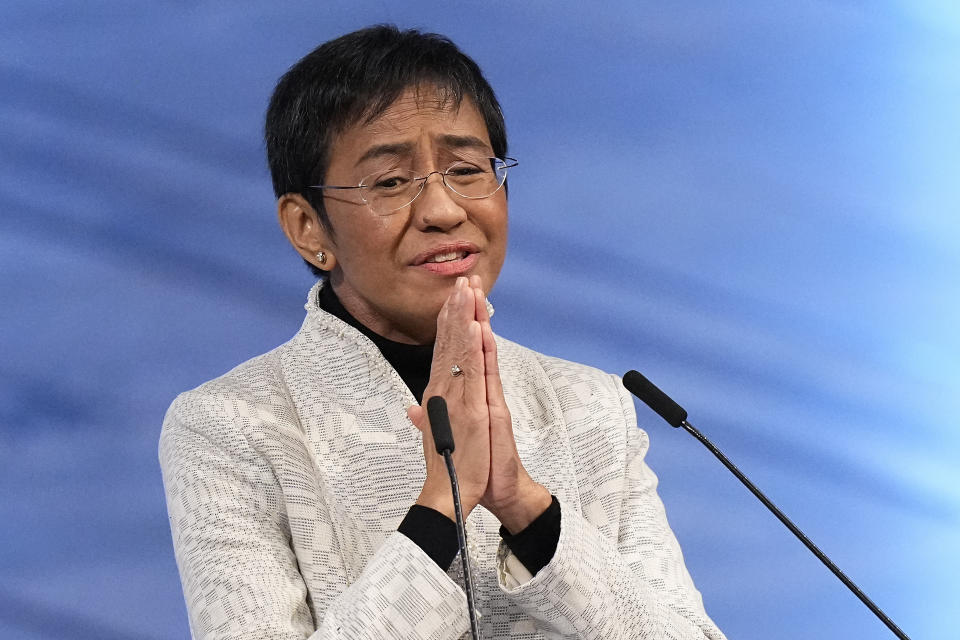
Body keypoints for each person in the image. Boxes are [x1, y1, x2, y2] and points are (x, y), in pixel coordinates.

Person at [159, 25, 726, 640]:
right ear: (308, 228)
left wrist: (529, 510)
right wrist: (437, 512)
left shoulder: (593, 407)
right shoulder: (229, 424)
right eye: (390, 182)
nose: (443, 211)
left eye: (466, 169)